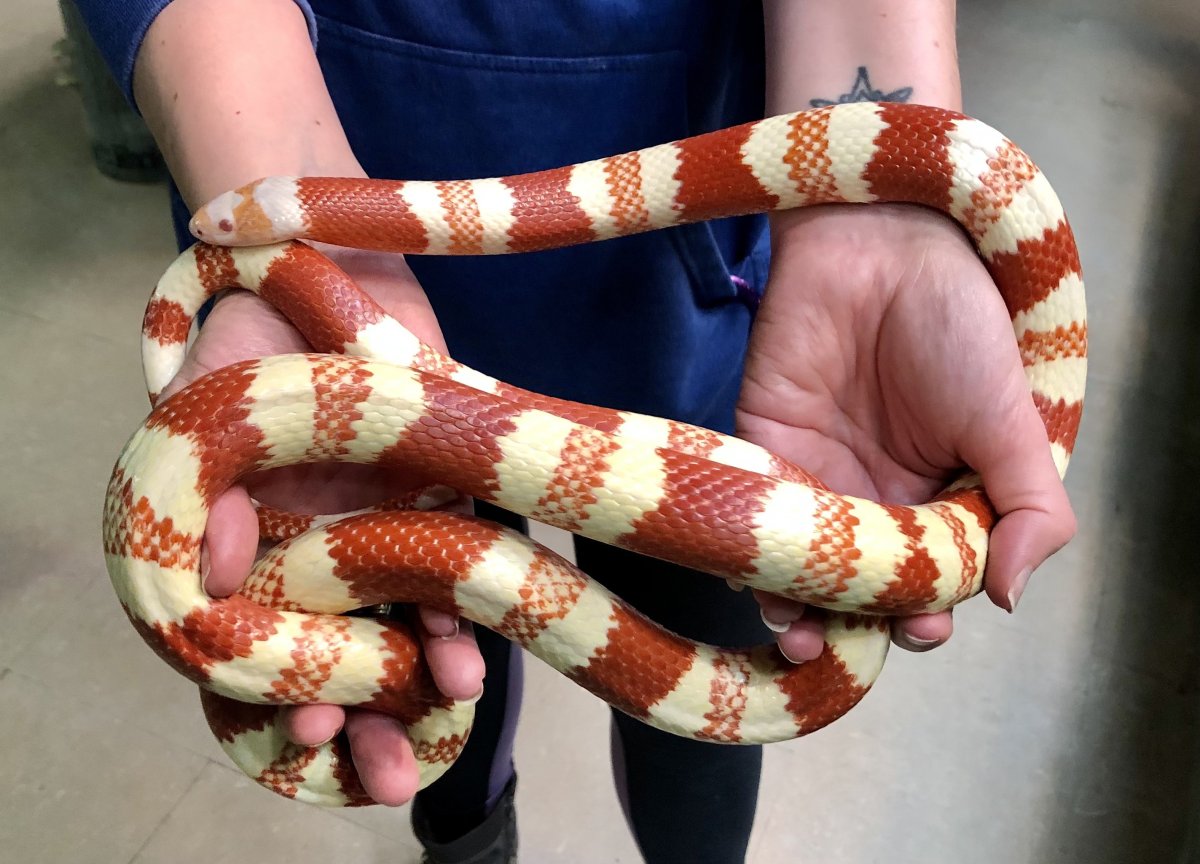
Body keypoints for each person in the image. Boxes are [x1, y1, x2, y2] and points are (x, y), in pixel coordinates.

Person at [77, 2, 1077, 862]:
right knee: (446, 623)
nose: (222, 233)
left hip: (699, 331)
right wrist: (268, 176)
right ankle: (467, 830)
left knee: (714, 631)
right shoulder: (303, 269)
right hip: (340, 207)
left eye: (236, 229)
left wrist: (881, 212)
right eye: (235, 230)